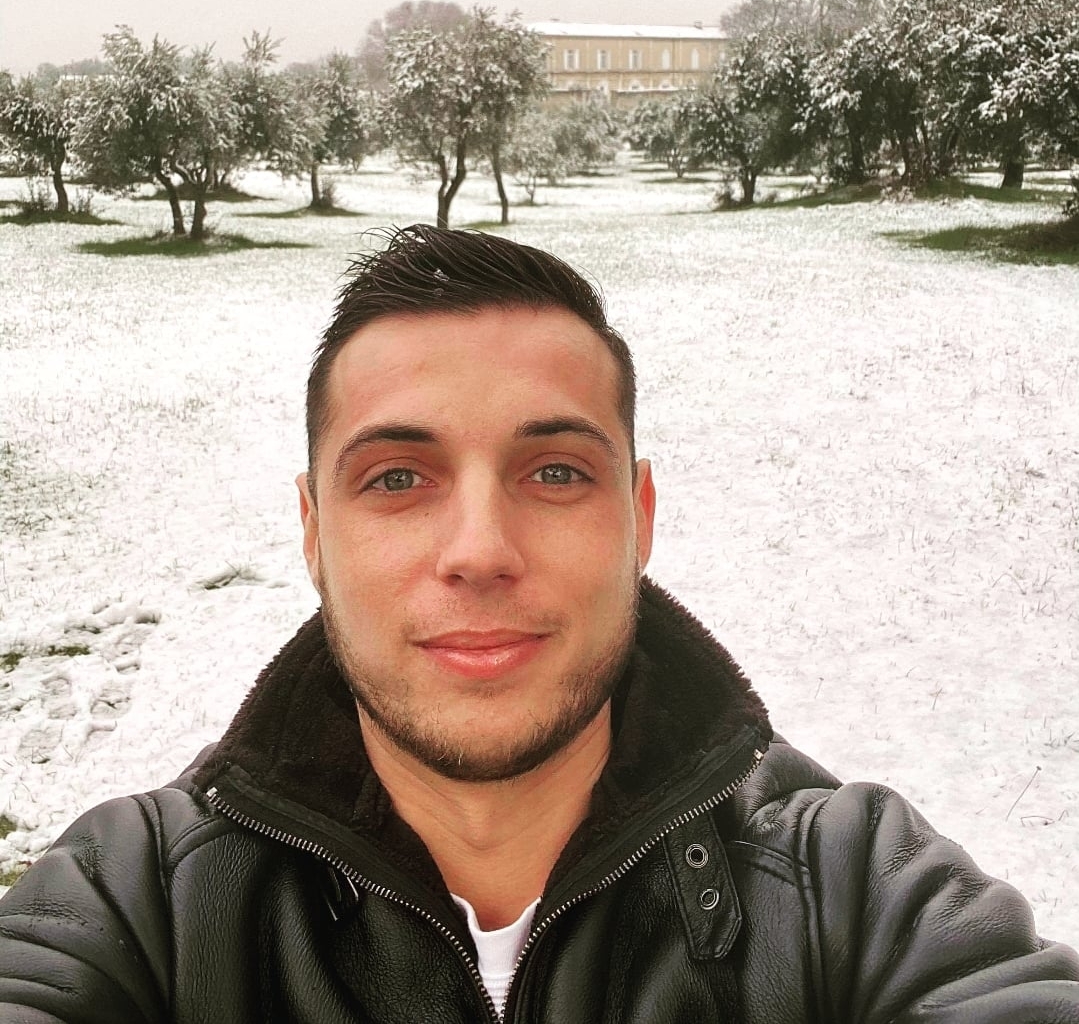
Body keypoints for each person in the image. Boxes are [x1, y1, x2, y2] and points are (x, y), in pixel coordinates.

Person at [1, 224, 1077, 1023]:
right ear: (313, 530)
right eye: (396, 477)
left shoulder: (846, 883)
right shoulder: (138, 898)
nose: (479, 549)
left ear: (638, 518)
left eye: (555, 470)